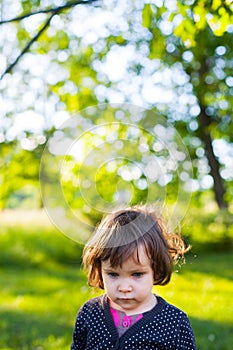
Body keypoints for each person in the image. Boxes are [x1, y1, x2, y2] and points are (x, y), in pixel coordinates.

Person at [71, 205, 196, 349]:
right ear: (100, 270)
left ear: (156, 269)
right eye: (113, 274)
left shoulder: (174, 322)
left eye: (137, 274)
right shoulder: (90, 313)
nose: (124, 288)